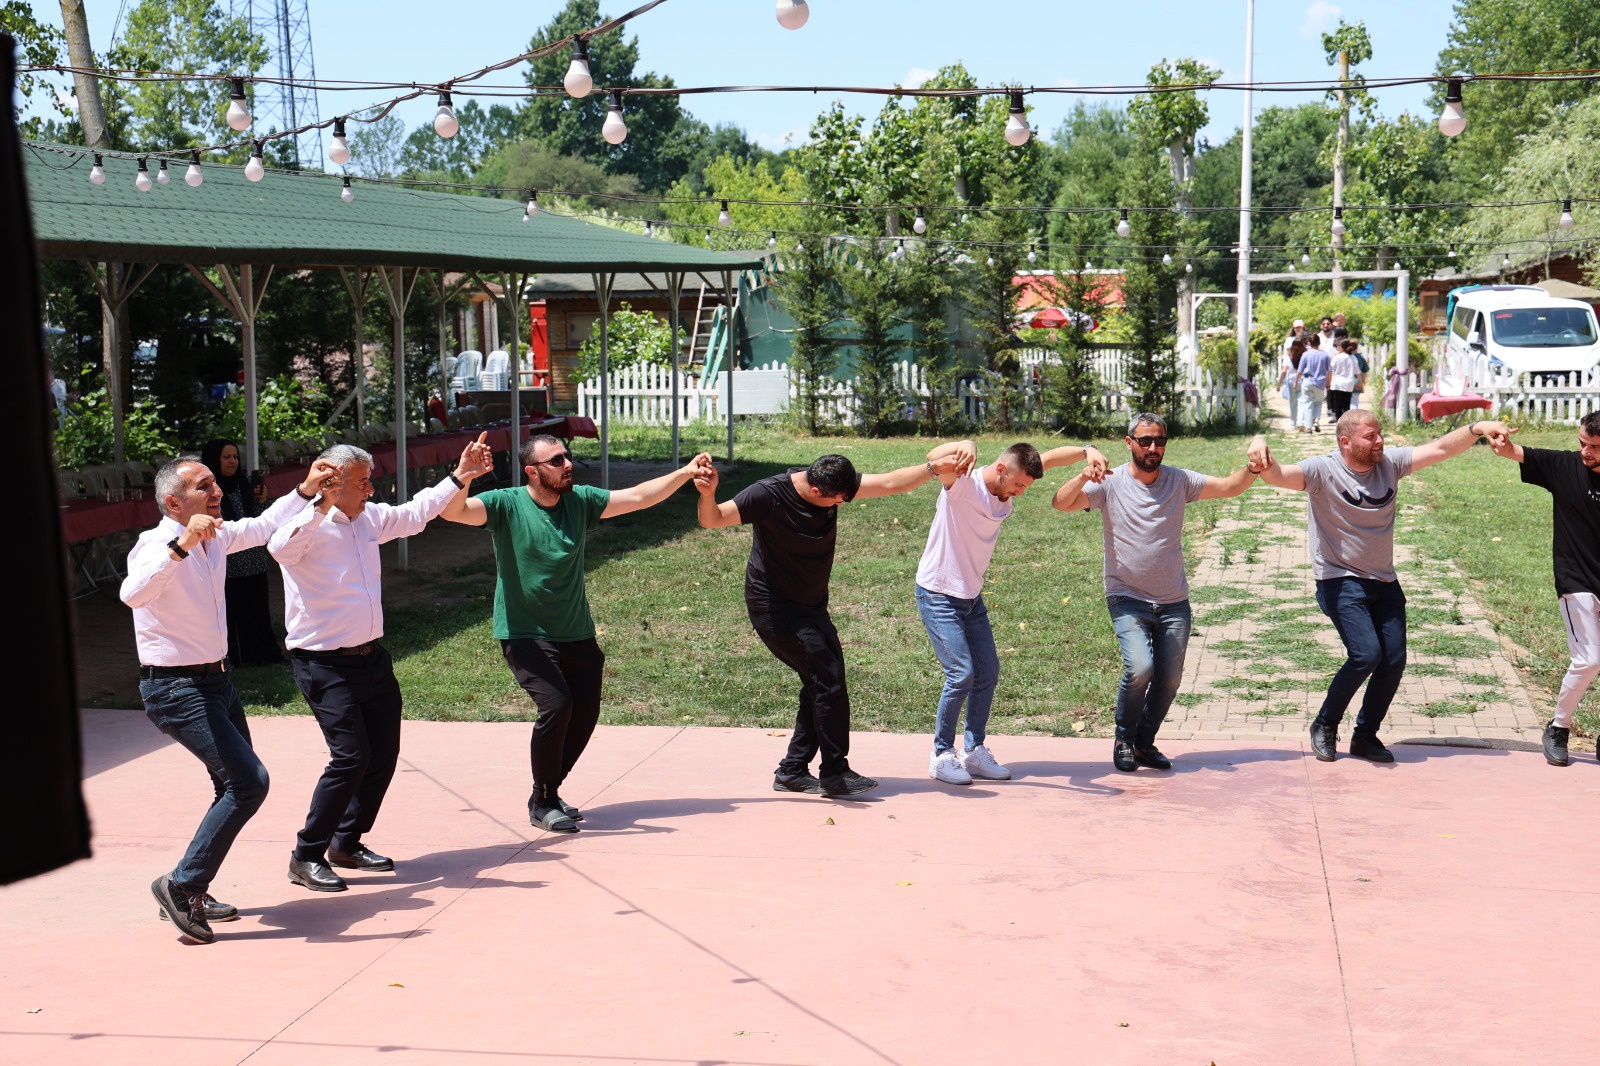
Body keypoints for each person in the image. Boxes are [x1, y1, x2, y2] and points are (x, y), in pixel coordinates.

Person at [441, 435, 714, 833]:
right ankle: (544, 800)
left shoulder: (579, 500)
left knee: (583, 716)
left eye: (567, 456)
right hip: (524, 632)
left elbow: (638, 496)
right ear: (532, 472)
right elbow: (454, 512)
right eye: (556, 460)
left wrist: (686, 473)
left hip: (576, 631)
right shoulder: (506, 504)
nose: (567, 464)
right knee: (556, 706)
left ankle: (547, 792)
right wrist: (464, 474)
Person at [120, 454, 337, 944]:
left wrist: (304, 491)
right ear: (174, 503)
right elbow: (133, 594)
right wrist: (183, 544)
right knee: (249, 782)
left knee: (231, 785)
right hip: (175, 689)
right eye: (204, 486)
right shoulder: (155, 544)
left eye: (215, 483)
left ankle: (192, 885)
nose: (217, 492)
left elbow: (263, 526)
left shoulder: (216, 537)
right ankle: (181, 886)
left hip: (216, 683)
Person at [270, 437, 495, 892]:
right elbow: (280, 549)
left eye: (369, 481)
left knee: (383, 755)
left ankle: (347, 842)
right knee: (350, 757)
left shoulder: (369, 518)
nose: (370, 489)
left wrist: (462, 475)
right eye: (361, 482)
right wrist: (317, 506)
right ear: (332, 483)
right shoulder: (305, 525)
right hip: (323, 665)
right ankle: (306, 854)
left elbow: (417, 511)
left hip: (372, 658)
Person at [1249, 411, 1512, 763]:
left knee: (1393, 659)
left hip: (1384, 581)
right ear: (1346, 442)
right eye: (1370, 436)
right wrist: (1259, 444)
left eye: (1380, 434)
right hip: (1339, 580)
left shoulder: (1390, 464)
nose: (1380, 441)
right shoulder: (1321, 471)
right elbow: (1276, 476)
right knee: (1366, 654)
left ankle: (1365, 736)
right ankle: (1325, 724)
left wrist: (1478, 428)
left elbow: (1440, 449)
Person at [695, 452, 962, 797]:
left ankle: (792, 770)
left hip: (810, 607)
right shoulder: (767, 494)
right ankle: (835, 772)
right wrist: (707, 493)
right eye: (838, 499)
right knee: (828, 679)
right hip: (774, 607)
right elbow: (712, 520)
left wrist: (932, 469)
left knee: (820, 680)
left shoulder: (837, 484)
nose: (843, 503)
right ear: (817, 490)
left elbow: (891, 481)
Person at [1054, 413, 1261, 772]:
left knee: (1170, 678)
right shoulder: (1111, 482)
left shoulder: (1179, 480)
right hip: (1127, 596)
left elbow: (1229, 486)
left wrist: (1253, 467)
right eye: (1146, 440)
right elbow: (1061, 504)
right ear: (1129, 441)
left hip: (1172, 600)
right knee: (1140, 668)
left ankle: (1144, 743)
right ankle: (1124, 738)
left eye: (1160, 441)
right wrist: (1083, 475)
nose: (1153, 448)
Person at [915, 440, 1109, 785]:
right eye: (1019, 485)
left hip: (970, 596)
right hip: (938, 593)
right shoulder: (963, 484)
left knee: (988, 671)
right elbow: (932, 459)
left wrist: (1087, 450)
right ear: (1001, 469)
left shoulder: (1014, 477)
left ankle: (973, 751)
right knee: (961, 674)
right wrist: (965, 444)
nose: (1020, 492)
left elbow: (1046, 459)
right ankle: (942, 755)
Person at [1484, 413, 1600, 766]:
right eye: (1582, 442)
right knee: (1590, 659)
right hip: (1576, 579)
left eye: (1594, 447)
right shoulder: (1564, 466)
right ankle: (1558, 727)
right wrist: (1500, 443)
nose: (1585, 451)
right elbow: (1514, 453)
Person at [199, 438, 281, 665]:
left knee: (256, 613)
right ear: (214, 459)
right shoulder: (205, 489)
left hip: (252, 560)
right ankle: (229, 659)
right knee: (226, 616)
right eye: (226, 457)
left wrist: (263, 498)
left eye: (235, 456)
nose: (232, 461)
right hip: (223, 564)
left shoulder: (245, 483)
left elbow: (263, 518)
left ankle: (262, 656)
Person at [1296, 333, 1330, 433]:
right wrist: (1329, 382)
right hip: (1320, 382)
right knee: (1318, 403)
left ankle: (1308, 426)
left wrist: (1296, 381)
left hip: (1307, 381)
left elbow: (1300, 370)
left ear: (1309, 343)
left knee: (1307, 404)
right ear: (1319, 342)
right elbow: (1330, 370)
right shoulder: (1325, 355)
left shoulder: (1306, 354)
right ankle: (1316, 420)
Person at [1326, 340, 1360, 421]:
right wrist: (1360, 382)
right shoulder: (1353, 357)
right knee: (1346, 405)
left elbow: (1330, 370)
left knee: (1338, 406)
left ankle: (1339, 422)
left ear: (1341, 347)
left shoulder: (1337, 357)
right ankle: (1346, 423)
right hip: (1349, 384)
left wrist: (1328, 381)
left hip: (1337, 384)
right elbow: (1358, 372)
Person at [1281, 340, 1306, 431]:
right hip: (1302, 381)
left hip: (1291, 382)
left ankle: (1293, 423)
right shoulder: (1304, 356)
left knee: (1293, 403)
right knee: (1302, 403)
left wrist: (1279, 383)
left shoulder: (1287, 357)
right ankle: (1300, 421)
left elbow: (1284, 371)